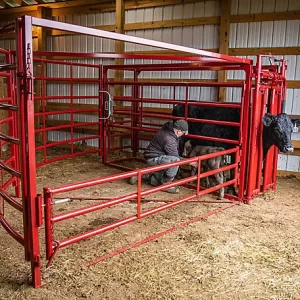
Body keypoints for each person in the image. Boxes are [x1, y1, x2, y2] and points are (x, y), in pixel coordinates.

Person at [129, 119, 188, 194]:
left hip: (157, 156)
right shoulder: (169, 139)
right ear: (178, 131)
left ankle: (140, 174)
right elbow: (175, 156)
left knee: (157, 182)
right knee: (175, 160)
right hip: (154, 158)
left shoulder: (168, 129)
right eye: (183, 133)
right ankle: (166, 184)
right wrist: (190, 162)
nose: (183, 135)